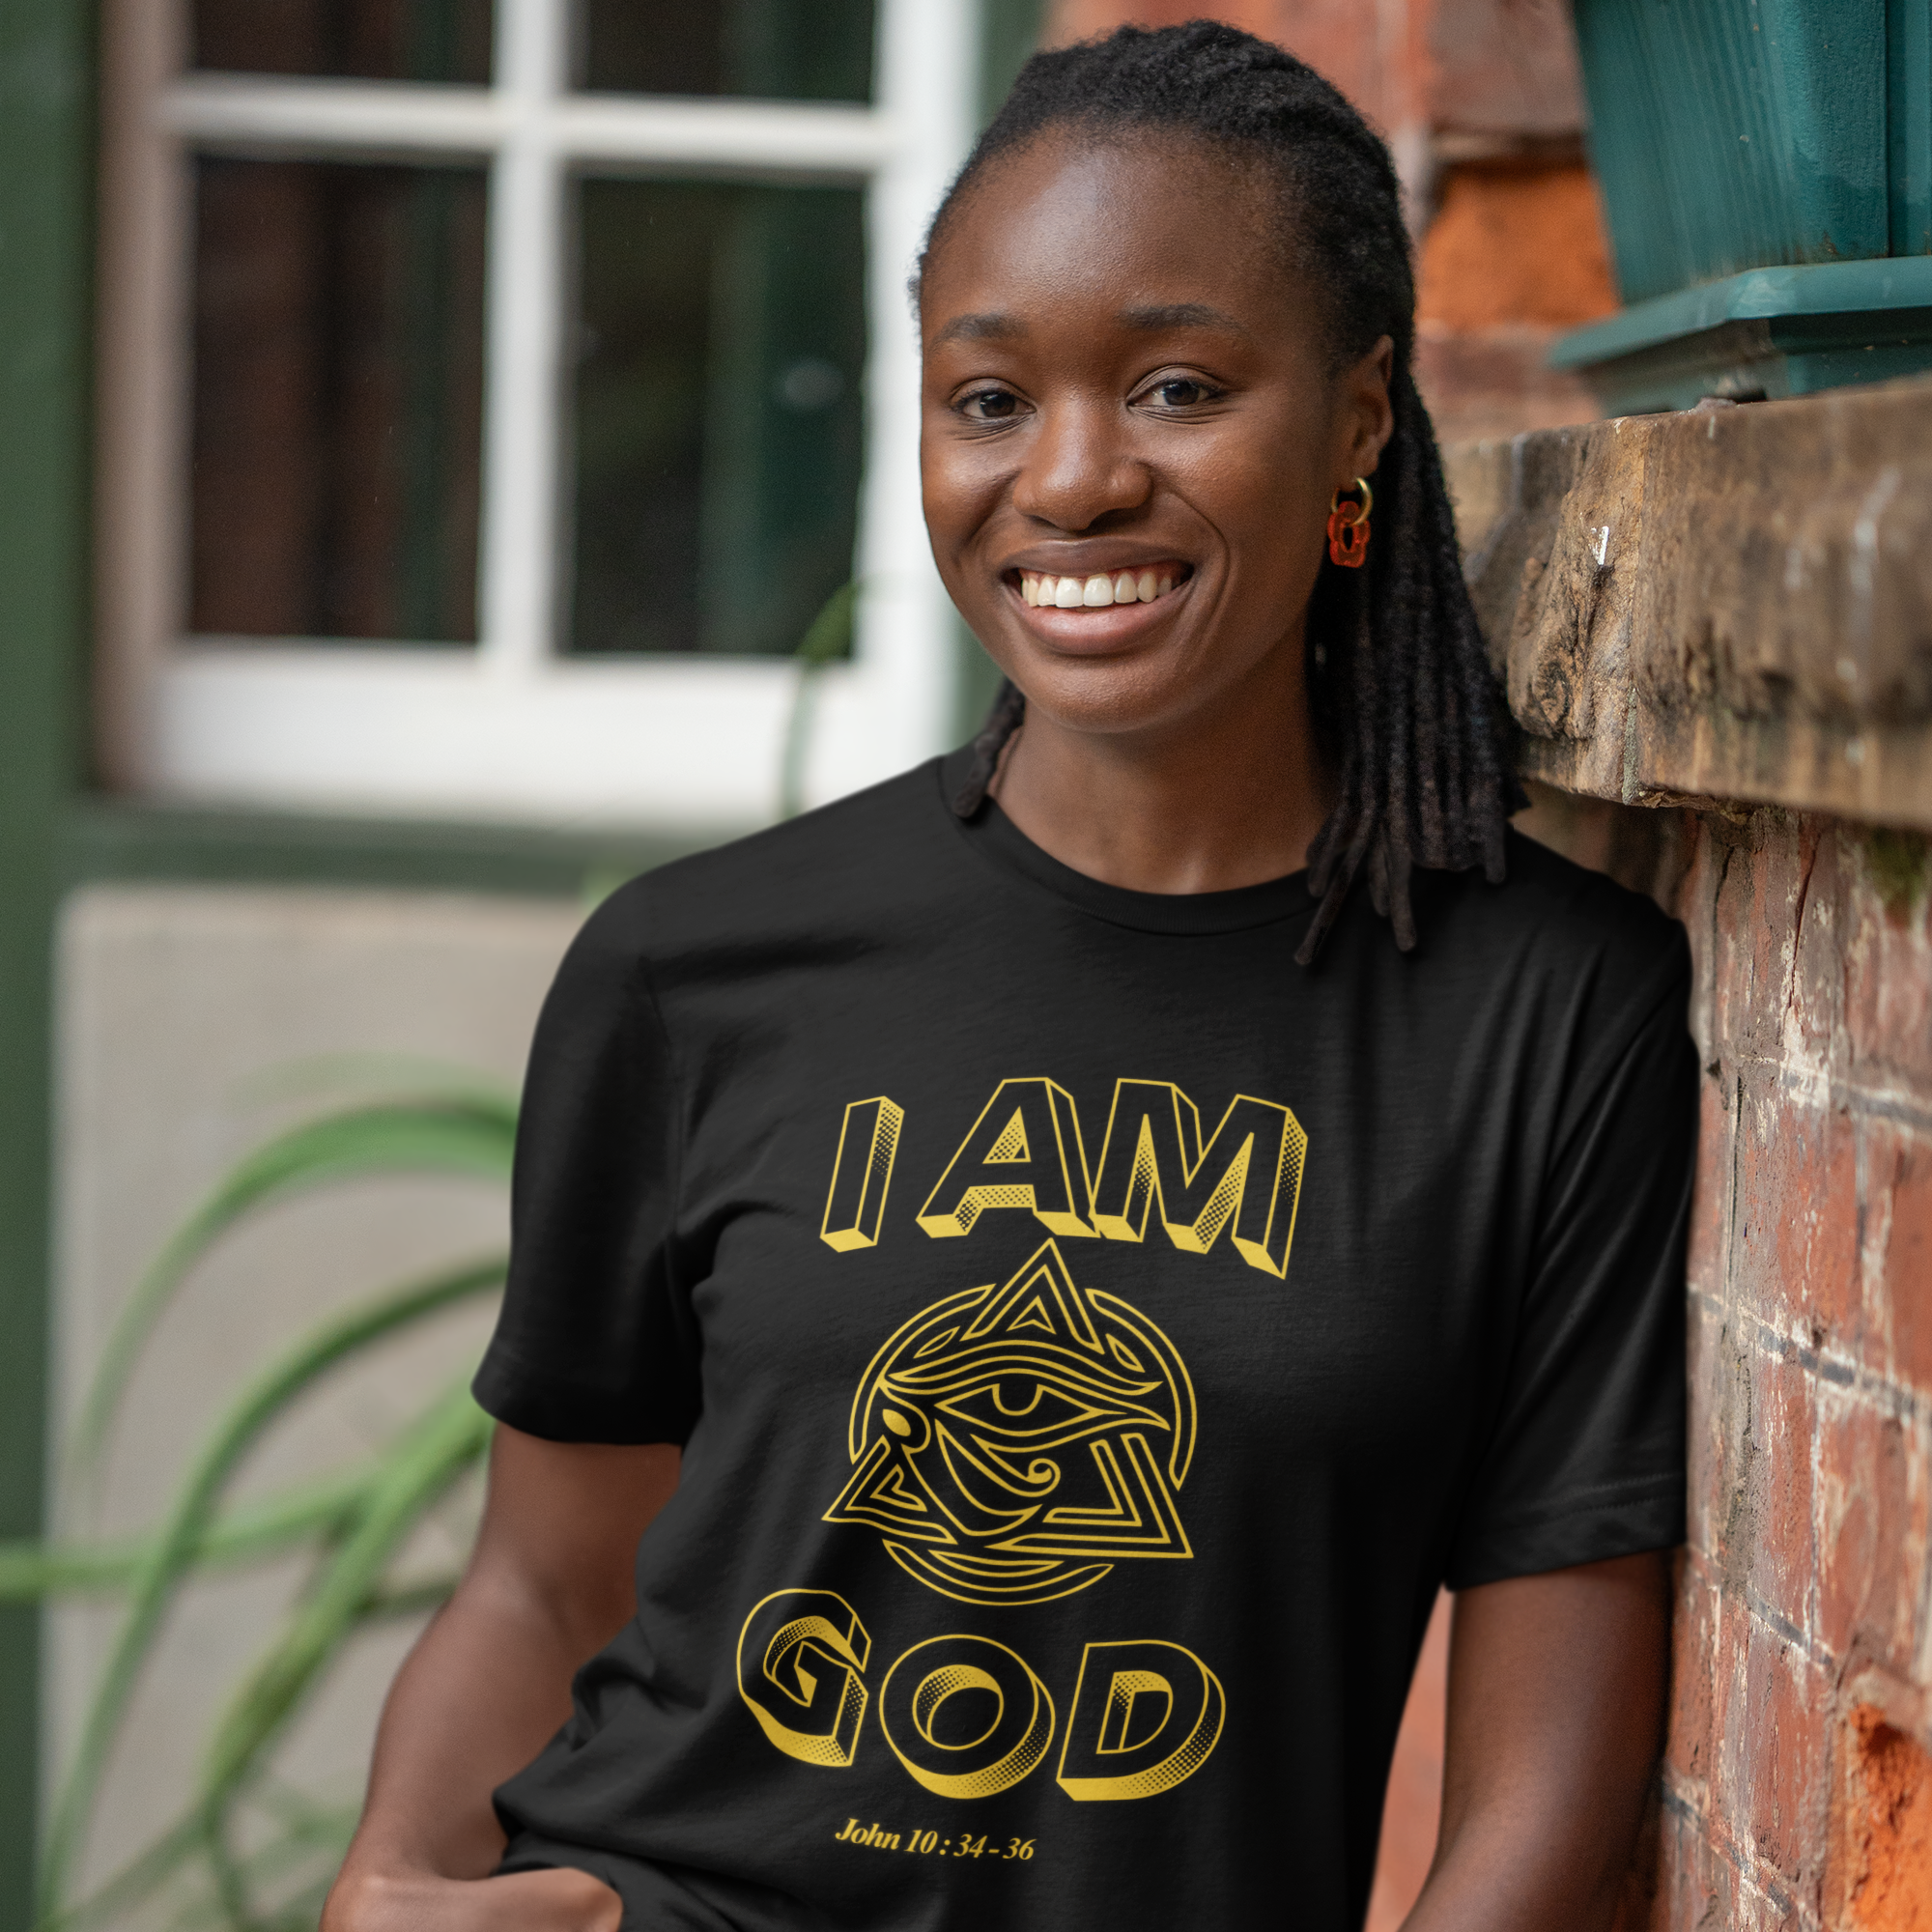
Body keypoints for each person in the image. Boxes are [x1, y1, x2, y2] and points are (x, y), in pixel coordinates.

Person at [323, 22, 1693, 1932]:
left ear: (1361, 419)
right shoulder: (692, 966)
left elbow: (1552, 1774)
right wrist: (392, 1878)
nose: (1068, 478)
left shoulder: (1545, 1016)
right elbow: (543, 1581)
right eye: (987, 398)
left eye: (1176, 387)